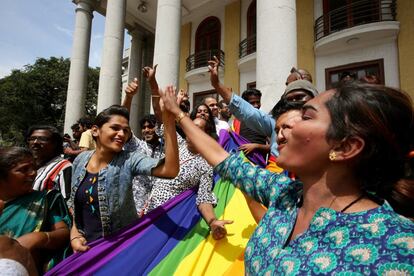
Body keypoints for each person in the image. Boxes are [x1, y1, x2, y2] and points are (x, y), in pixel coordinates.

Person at [160, 82, 414, 274]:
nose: (280, 134)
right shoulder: (283, 192)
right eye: (278, 127)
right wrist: (177, 114)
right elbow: (223, 158)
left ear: (345, 147)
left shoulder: (397, 244)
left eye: (305, 117)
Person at [68, 98, 179, 253]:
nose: (121, 134)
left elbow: (170, 170)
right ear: (95, 130)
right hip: (85, 252)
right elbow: (75, 208)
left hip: (121, 250)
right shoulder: (80, 160)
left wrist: (168, 122)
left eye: (125, 130)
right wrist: (75, 235)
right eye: (115, 128)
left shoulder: (130, 159)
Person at [208, 56, 318, 158]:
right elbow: (249, 112)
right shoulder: (275, 120)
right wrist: (216, 84)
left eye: (299, 97)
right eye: (278, 130)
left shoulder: (326, 120)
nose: (280, 136)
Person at [0, 147, 71, 273]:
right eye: (23, 169)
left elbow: (64, 232)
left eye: (34, 167)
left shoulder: (46, 199)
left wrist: (41, 237)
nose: (33, 173)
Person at [27, 125, 72, 200]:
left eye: (42, 139)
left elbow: (65, 201)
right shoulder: (24, 164)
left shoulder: (63, 167)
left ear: (55, 143)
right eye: (32, 138)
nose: (35, 142)